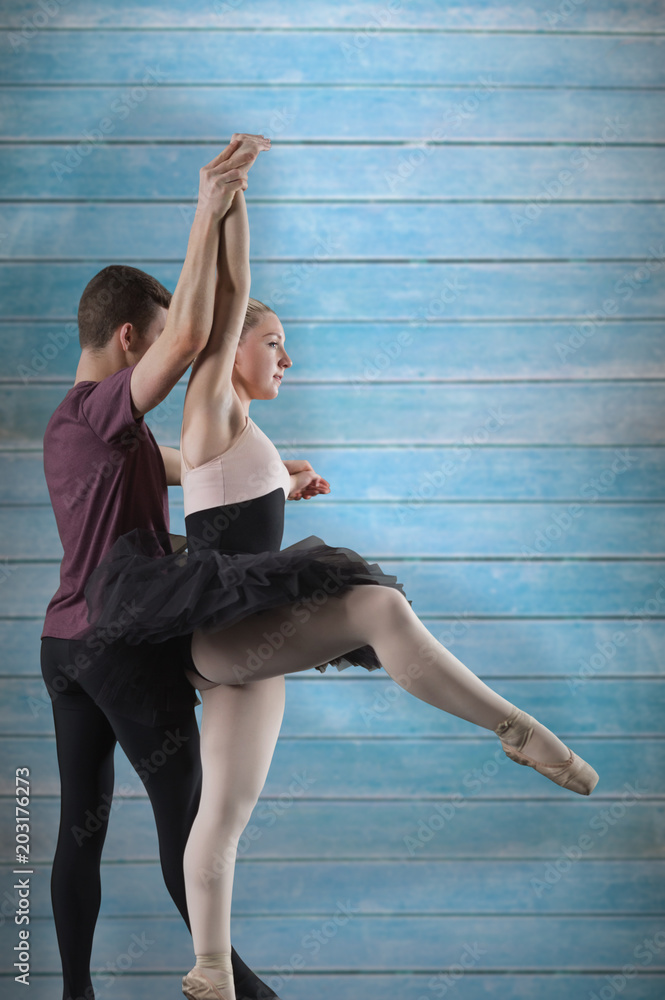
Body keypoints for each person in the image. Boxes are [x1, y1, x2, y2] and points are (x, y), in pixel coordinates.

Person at [77, 173, 600, 1000]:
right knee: (375, 604)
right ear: (227, 346)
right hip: (230, 627)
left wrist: (286, 485)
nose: (287, 355)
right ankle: (511, 727)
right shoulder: (211, 397)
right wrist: (229, 200)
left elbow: (236, 509)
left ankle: (210, 967)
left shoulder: (235, 428)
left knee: (226, 811)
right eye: (273, 341)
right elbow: (233, 287)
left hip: (247, 643)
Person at [40, 134, 282, 1000]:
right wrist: (208, 205)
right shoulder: (97, 410)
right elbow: (185, 342)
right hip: (114, 644)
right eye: (151, 346)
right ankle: (243, 990)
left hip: (63, 649)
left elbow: (195, 468)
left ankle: (72, 993)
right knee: (191, 826)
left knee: (78, 831)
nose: (164, 368)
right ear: (126, 337)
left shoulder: (100, 436)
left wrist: (282, 478)